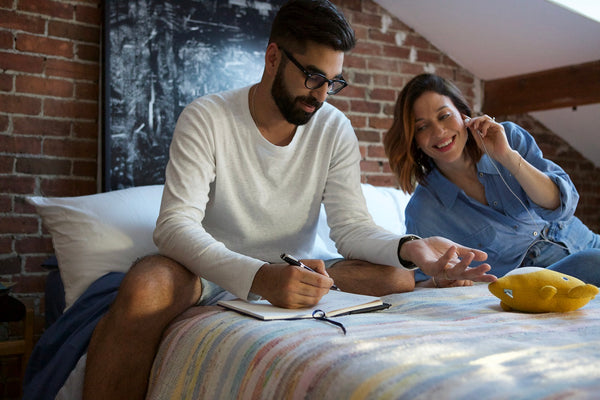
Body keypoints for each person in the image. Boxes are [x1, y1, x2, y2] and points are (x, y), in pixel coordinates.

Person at [83, 4, 496, 399]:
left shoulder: (333, 129)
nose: (321, 96)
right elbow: (174, 227)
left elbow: (350, 228)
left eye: (333, 82)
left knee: (399, 278)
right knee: (145, 286)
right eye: (314, 76)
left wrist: (411, 247)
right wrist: (261, 278)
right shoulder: (206, 117)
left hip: (295, 270)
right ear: (273, 57)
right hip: (203, 270)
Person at [384, 73, 600, 289]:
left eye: (444, 116)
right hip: (536, 285)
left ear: (463, 114)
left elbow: (562, 206)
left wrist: (506, 156)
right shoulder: (424, 211)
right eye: (422, 127)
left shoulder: (508, 137)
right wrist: (443, 279)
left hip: (586, 244)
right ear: (414, 139)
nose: (439, 132)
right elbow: (423, 281)